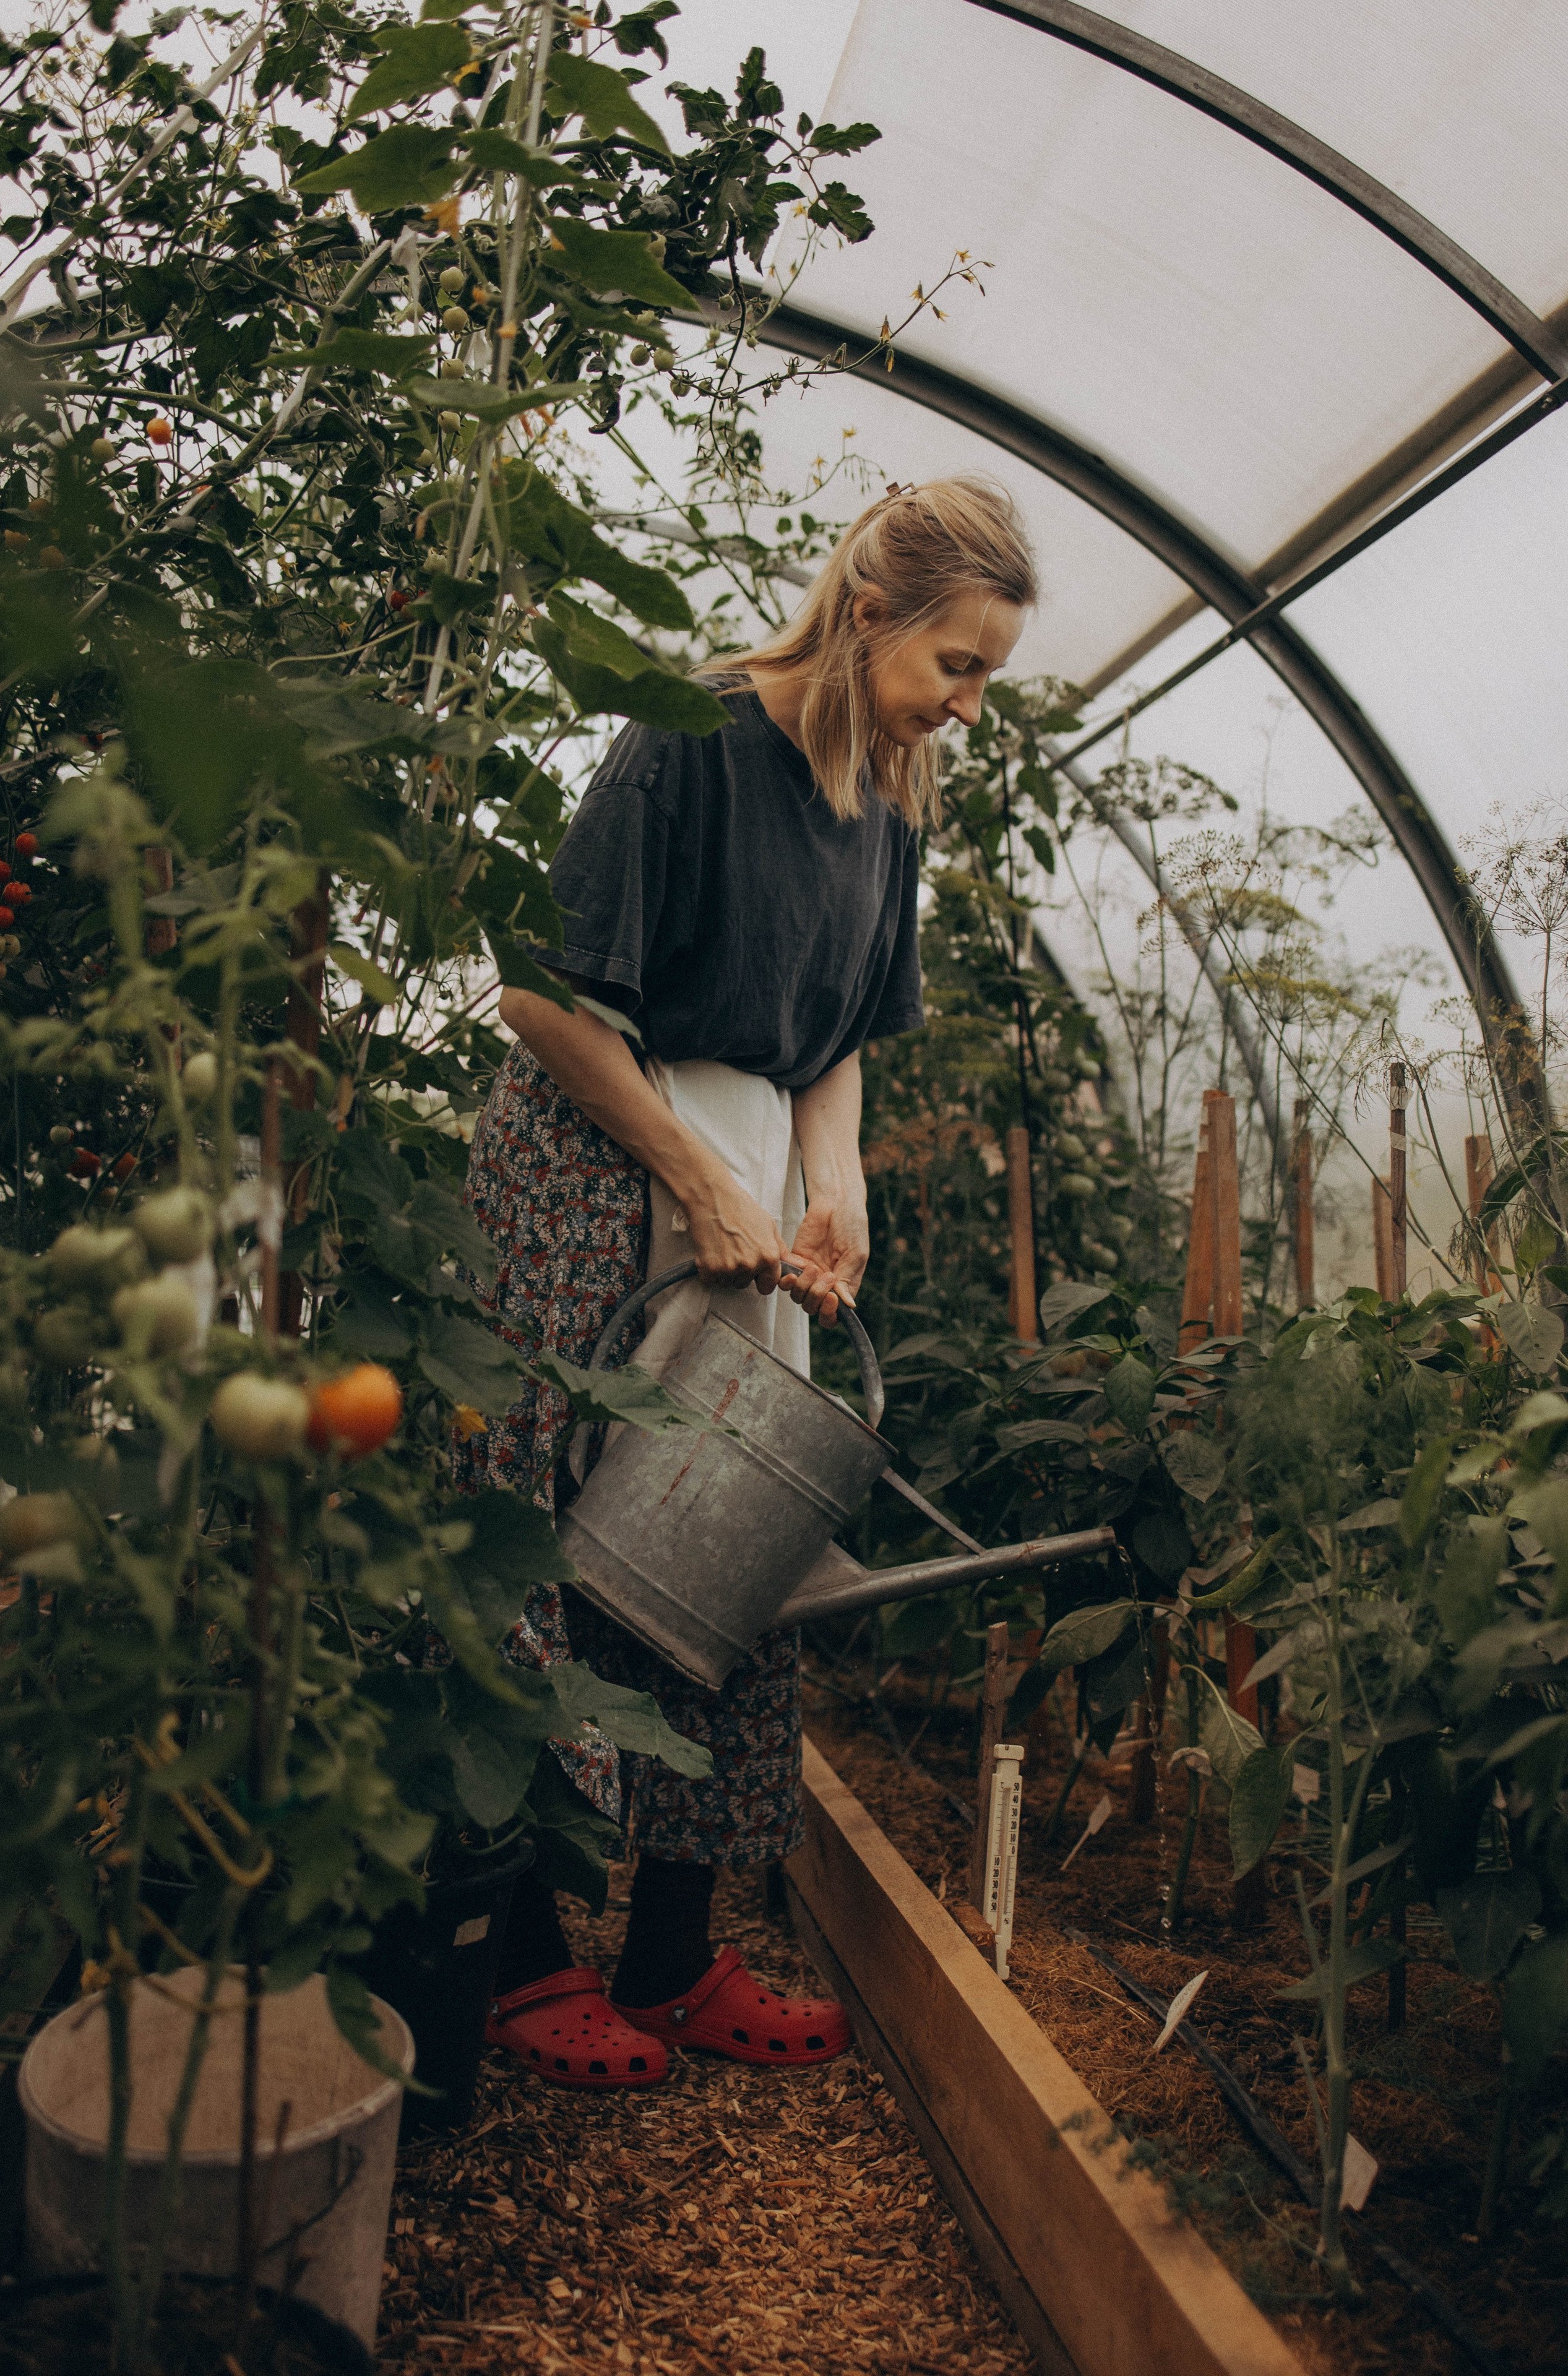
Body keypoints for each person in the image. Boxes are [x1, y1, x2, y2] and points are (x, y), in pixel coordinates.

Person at [459, 476, 1036, 2090]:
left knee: (731, 1551)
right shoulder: (690, 738)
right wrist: (697, 1172)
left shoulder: (890, 803)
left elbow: (838, 1038)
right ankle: (516, 1956)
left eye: (987, 677)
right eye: (959, 665)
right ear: (870, 612)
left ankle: (670, 1962)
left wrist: (831, 1183)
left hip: (749, 1183)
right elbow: (540, 999)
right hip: (595, 1165)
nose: (968, 706)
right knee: (547, 1531)